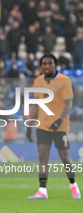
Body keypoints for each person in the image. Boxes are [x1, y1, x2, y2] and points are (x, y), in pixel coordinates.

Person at [26, 54, 81, 200]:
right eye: (44, 64)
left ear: (55, 65)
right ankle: (42, 190)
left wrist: (59, 120)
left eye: (50, 63)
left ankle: (73, 185)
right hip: (43, 125)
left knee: (65, 157)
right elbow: (36, 104)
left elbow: (68, 103)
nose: (47, 66)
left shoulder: (64, 80)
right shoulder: (38, 81)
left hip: (60, 127)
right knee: (43, 157)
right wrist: (29, 125)